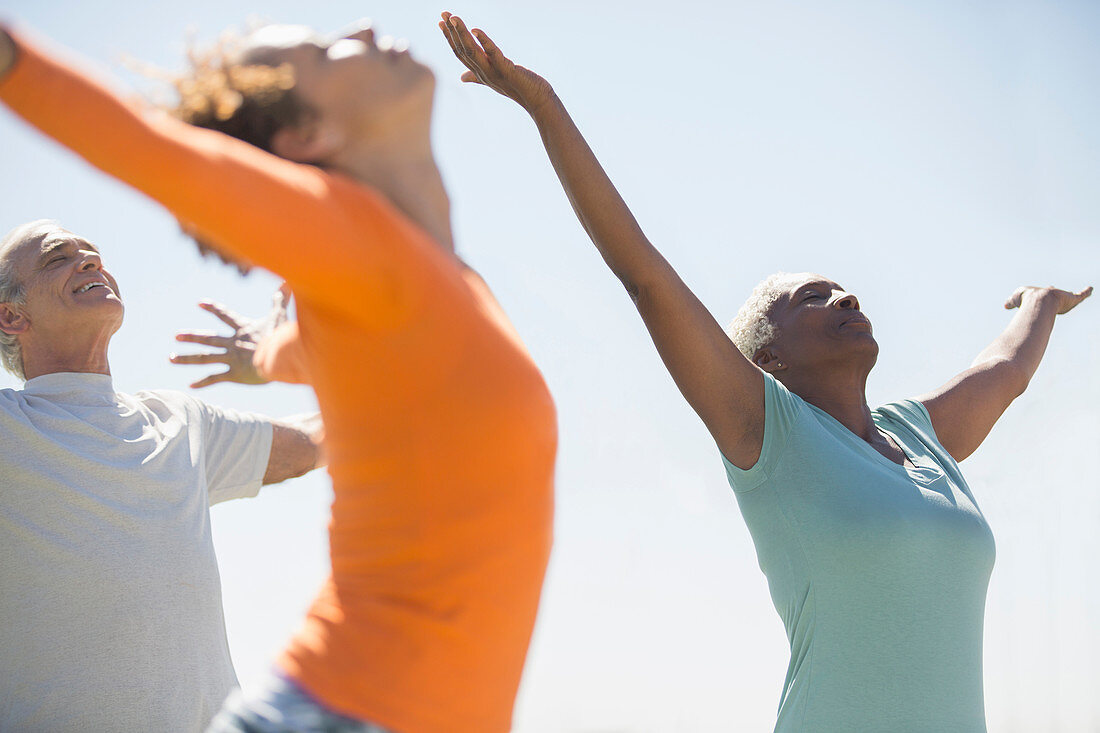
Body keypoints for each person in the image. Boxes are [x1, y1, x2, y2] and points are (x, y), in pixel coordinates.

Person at [438, 13, 1092, 732]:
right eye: (810, 298)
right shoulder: (768, 431)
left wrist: (1041, 302)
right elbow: (645, 276)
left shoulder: (921, 434)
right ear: (765, 357)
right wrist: (544, 107)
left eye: (843, 289)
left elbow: (1005, 369)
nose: (845, 296)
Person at [0, 19, 557, 733]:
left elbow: (364, 361)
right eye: (322, 53)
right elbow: (142, 147)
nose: (358, 27)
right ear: (304, 139)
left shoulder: (436, 281)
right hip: (342, 712)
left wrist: (270, 354)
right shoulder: (349, 233)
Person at [0, 219, 324, 731]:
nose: (90, 261)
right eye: (57, 258)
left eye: (92, 252)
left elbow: (316, 442)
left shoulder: (178, 422)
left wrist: (291, 356)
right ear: (12, 317)